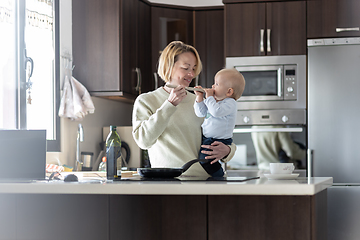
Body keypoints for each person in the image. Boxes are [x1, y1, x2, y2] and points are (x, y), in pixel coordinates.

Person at [132, 41, 236, 177]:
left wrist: (228, 150)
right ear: (169, 67)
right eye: (186, 68)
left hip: (204, 181)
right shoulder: (146, 100)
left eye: (193, 68)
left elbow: (221, 132)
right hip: (168, 183)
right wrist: (170, 105)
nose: (191, 74)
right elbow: (143, 141)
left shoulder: (199, 102)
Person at [193, 69, 245, 177]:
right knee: (205, 160)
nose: (212, 86)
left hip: (219, 140)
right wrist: (199, 98)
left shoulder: (230, 103)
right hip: (208, 138)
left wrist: (209, 98)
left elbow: (216, 112)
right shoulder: (214, 102)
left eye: (217, 84)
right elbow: (200, 113)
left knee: (204, 160)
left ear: (229, 92)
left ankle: (219, 176)